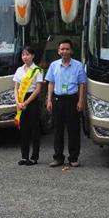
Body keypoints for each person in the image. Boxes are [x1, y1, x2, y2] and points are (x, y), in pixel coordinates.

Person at [45, 39, 87, 170]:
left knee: (73, 130)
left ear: (71, 51)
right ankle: (58, 157)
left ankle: (73, 158)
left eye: (67, 49)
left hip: (72, 100)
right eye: (62, 49)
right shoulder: (54, 65)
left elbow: (82, 84)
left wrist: (81, 101)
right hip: (58, 100)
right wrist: (49, 100)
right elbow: (50, 83)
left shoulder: (78, 65)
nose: (65, 51)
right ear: (58, 51)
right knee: (57, 130)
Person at [13, 46, 43, 166]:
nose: (25, 57)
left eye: (27, 54)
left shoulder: (37, 70)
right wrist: (18, 102)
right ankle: (24, 156)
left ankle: (34, 157)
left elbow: (38, 89)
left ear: (33, 56)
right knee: (23, 130)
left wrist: (26, 103)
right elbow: (16, 88)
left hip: (32, 100)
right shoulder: (19, 70)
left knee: (34, 129)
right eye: (23, 55)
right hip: (20, 100)